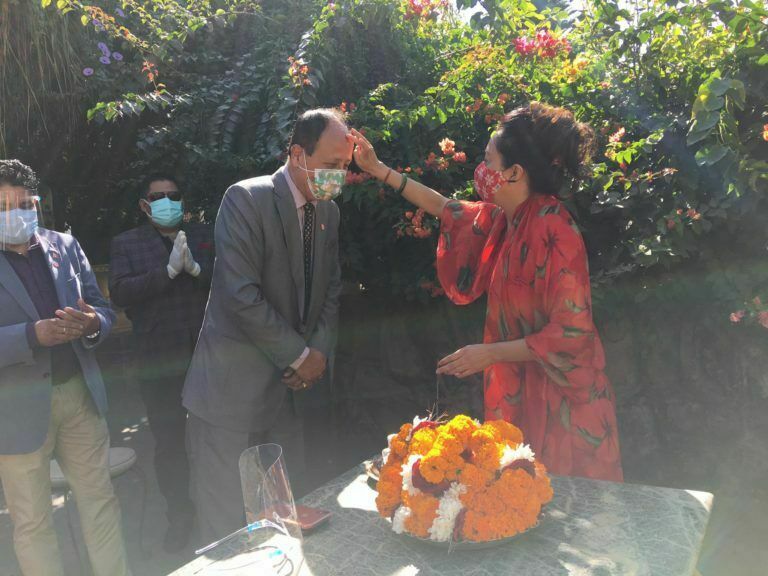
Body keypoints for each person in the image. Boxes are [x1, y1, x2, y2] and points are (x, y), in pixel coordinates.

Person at [352, 103, 623, 481]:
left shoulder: (556, 230)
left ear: (514, 173)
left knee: (564, 507)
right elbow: (444, 207)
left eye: (488, 160)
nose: (481, 169)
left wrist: (490, 353)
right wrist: (378, 169)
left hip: (563, 408)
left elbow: (572, 333)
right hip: (519, 394)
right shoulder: (506, 219)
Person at [183, 108, 349, 544]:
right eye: (331, 164)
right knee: (224, 524)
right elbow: (240, 294)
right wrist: (299, 355)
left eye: (344, 166)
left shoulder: (329, 213)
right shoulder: (246, 199)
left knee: (285, 517)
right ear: (297, 154)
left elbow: (330, 289)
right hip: (229, 392)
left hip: (287, 394)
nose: (338, 176)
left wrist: (318, 353)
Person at [0, 159, 131, 575]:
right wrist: (30, 336)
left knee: (100, 502)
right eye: (3, 206)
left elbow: (102, 308)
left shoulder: (65, 246)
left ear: (36, 203)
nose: (15, 213)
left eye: (24, 204)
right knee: (33, 522)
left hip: (79, 397)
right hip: (15, 410)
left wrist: (92, 323)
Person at [109, 173, 214, 552]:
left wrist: (197, 270)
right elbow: (120, 293)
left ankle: (218, 510)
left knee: (214, 438)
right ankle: (180, 517)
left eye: (174, 194)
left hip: (206, 355)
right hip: (158, 360)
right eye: (158, 196)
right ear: (144, 204)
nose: (167, 201)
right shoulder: (127, 243)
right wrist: (166, 272)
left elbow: (229, 280)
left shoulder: (203, 235)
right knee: (169, 444)